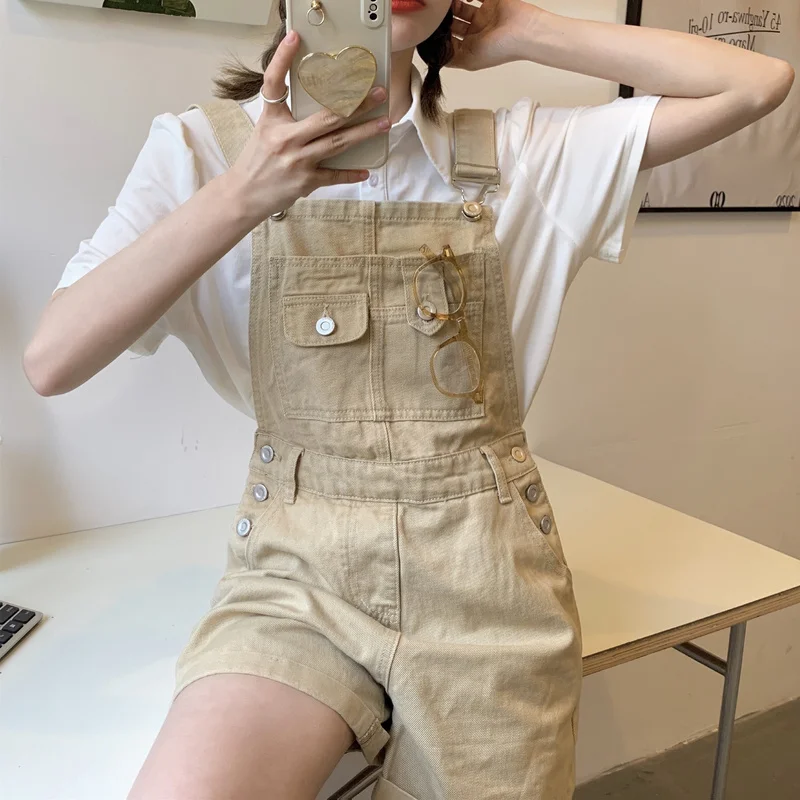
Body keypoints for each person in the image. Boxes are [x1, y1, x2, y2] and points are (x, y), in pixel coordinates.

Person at [24, 0, 793, 797]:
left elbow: (758, 83)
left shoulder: (521, 154)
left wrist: (519, 28)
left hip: (485, 583)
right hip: (297, 580)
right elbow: (53, 359)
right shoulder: (200, 152)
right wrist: (242, 195)